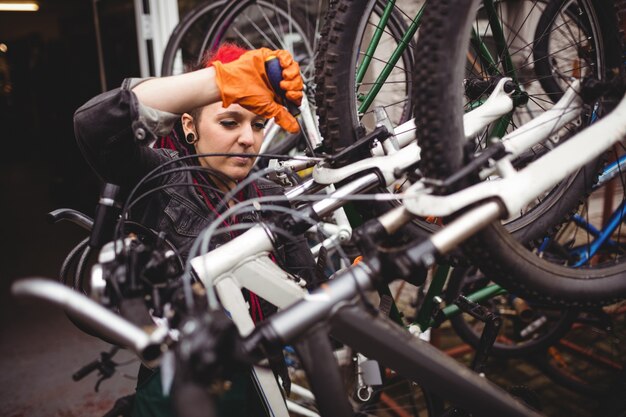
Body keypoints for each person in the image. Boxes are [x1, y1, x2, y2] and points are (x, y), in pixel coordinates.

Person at [73, 44, 316, 417]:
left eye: (256, 124)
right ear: (190, 126)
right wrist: (217, 81)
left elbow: (307, 294)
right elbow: (98, 123)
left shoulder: (271, 195)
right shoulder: (161, 177)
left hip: (263, 386)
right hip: (180, 388)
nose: (248, 139)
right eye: (229, 122)